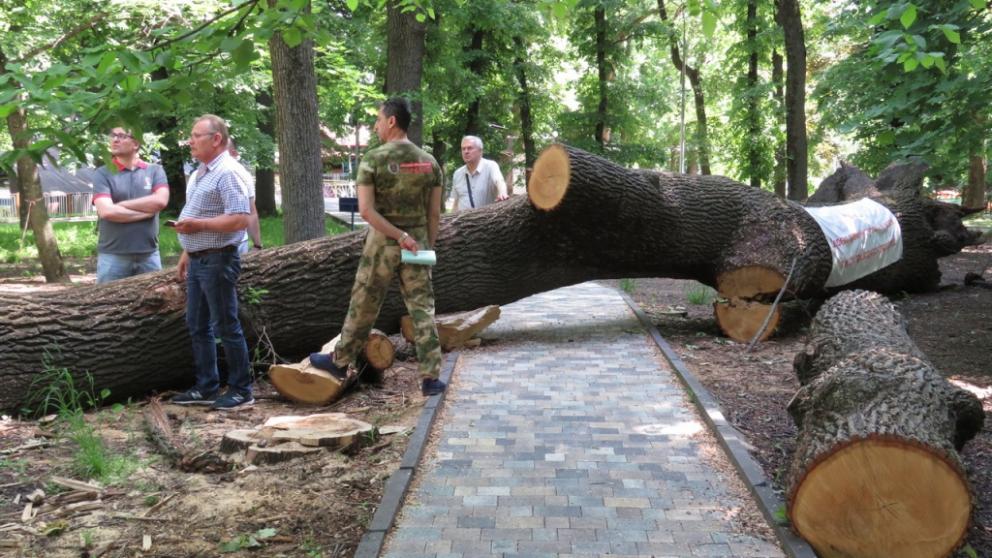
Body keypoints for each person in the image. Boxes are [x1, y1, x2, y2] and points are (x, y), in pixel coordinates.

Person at [310, 97, 445, 396]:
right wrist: (425, 245)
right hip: (417, 247)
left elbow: (368, 212)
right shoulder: (429, 162)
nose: (376, 125)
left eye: (379, 120)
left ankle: (341, 361)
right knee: (422, 309)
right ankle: (431, 378)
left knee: (364, 303)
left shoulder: (373, 159)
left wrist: (397, 236)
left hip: (381, 247)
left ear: (392, 121)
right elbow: (434, 214)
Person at [171, 115, 254, 410]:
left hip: (219, 259)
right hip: (198, 260)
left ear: (216, 139)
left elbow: (240, 218)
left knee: (225, 325)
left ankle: (242, 389)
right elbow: (195, 215)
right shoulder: (201, 172)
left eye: (196, 136)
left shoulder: (228, 172)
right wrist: (186, 252)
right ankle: (206, 386)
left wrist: (198, 227)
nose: (190, 141)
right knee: (197, 324)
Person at [91, 127, 170, 283]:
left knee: (154, 305)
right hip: (112, 256)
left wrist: (121, 205)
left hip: (149, 255)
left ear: (136, 143)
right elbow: (107, 212)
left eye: (121, 136)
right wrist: (146, 213)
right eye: (113, 135)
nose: (115, 140)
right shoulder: (102, 173)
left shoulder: (155, 171)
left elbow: (160, 201)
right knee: (108, 305)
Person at [449, 135, 508, 211]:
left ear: (480, 151)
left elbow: (499, 181)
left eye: (470, 148)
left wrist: (502, 193)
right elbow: (456, 202)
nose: (466, 151)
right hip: (463, 221)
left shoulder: (491, 166)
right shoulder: (457, 174)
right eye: (463, 149)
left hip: (486, 220)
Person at [226, 139, 262, 254]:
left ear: (234, 153)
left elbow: (251, 212)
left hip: (235, 244)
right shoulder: (197, 175)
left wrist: (257, 245)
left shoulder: (240, 174)